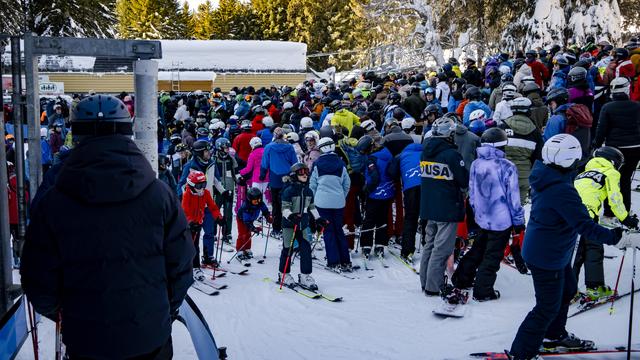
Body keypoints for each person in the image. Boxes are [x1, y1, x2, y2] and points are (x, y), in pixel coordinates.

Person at [21, 95, 194, 359]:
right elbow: (182, 264)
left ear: (76, 133)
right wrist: (160, 312)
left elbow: (37, 278)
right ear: (127, 130)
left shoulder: (54, 202)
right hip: (150, 338)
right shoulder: (159, 194)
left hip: (86, 341)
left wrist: (67, 313)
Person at [509, 134, 627, 360]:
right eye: (575, 158)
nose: (578, 162)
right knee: (546, 308)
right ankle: (521, 354)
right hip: (547, 256)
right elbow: (585, 225)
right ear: (568, 161)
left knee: (567, 291)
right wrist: (618, 238)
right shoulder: (561, 190)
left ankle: (554, 334)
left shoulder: (550, 175)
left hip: (553, 250)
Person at [451, 128, 525, 301]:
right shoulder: (507, 167)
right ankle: (483, 291)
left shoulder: (477, 163)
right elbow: (513, 198)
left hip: (483, 218)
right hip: (501, 221)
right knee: (492, 256)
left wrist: (478, 214)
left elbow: (473, 193)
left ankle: (461, 279)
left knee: (477, 249)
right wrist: (518, 221)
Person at [573, 146, 639, 299]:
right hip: (588, 216)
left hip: (571, 214)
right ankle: (595, 288)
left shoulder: (583, 173)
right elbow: (615, 199)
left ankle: (568, 290)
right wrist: (626, 218)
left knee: (576, 252)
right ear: (613, 161)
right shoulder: (611, 173)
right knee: (593, 249)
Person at [419, 116, 469, 296]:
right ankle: (434, 286)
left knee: (429, 245)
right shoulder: (451, 154)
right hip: (447, 206)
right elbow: (464, 180)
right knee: (442, 248)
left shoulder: (425, 151)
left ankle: (425, 281)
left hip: (429, 205)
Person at [594, 77, 640, 217]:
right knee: (625, 180)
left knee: (611, 180)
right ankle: (624, 210)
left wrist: (596, 146)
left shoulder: (607, 107)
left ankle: (609, 212)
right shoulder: (637, 106)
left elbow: (601, 129)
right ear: (627, 89)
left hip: (614, 149)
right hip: (635, 148)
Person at [278, 163, 327, 290]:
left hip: (303, 225)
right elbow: (284, 208)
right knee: (288, 249)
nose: (305, 174)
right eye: (301, 172)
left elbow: (311, 207)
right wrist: (291, 216)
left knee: (306, 249)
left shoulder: (308, 190)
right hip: (290, 225)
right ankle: (284, 273)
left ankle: (305, 275)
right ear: (294, 175)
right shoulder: (288, 190)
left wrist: (318, 219)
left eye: (306, 172)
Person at [309, 137, 352, 271]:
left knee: (328, 231)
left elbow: (313, 184)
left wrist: (314, 199)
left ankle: (334, 262)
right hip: (338, 202)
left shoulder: (317, 164)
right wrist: (341, 196)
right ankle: (345, 261)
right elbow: (347, 184)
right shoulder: (341, 163)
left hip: (322, 201)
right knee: (338, 230)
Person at [500, 97, 544, 204]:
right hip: (523, 178)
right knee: (517, 208)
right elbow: (538, 158)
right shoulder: (535, 132)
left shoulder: (502, 127)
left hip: (502, 174)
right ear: (528, 111)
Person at [182, 170, 223, 281]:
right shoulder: (187, 195)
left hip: (198, 224)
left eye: (203, 185)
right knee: (187, 247)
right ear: (191, 185)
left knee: (195, 247)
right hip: (188, 227)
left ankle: (195, 267)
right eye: (199, 185)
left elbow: (212, 207)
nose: (201, 188)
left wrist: (218, 217)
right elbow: (185, 212)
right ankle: (184, 268)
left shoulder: (205, 193)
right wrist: (190, 223)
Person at [359, 134, 395, 258]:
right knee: (382, 219)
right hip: (388, 191)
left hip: (375, 193)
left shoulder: (372, 159)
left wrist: (366, 189)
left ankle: (366, 245)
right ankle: (380, 245)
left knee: (369, 219)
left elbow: (374, 178)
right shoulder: (387, 153)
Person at [260, 127, 298, 238]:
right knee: (286, 203)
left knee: (276, 204)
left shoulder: (269, 147)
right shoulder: (290, 147)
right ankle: (286, 226)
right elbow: (294, 162)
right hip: (287, 178)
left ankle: (276, 228)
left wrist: (263, 173)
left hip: (275, 178)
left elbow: (265, 163)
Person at [388, 140, 422, 262]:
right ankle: (429, 247)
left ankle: (407, 250)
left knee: (410, 218)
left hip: (411, 188)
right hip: (428, 187)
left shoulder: (401, 155)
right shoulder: (426, 153)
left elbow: (391, 172)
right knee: (427, 218)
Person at [236, 187, 271, 259]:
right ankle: (240, 250)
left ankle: (247, 248)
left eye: (259, 200)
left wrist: (268, 217)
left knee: (248, 234)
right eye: (255, 201)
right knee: (242, 234)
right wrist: (253, 228)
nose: (257, 203)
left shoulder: (260, 203)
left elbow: (265, 210)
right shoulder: (246, 207)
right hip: (242, 220)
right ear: (250, 200)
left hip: (250, 219)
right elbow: (246, 221)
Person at [239, 137, 269, 203]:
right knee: (264, 195)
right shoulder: (266, 151)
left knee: (255, 196)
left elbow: (248, 168)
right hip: (267, 176)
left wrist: (240, 172)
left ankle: (257, 211)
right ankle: (264, 211)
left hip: (256, 178)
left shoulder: (252, 154)